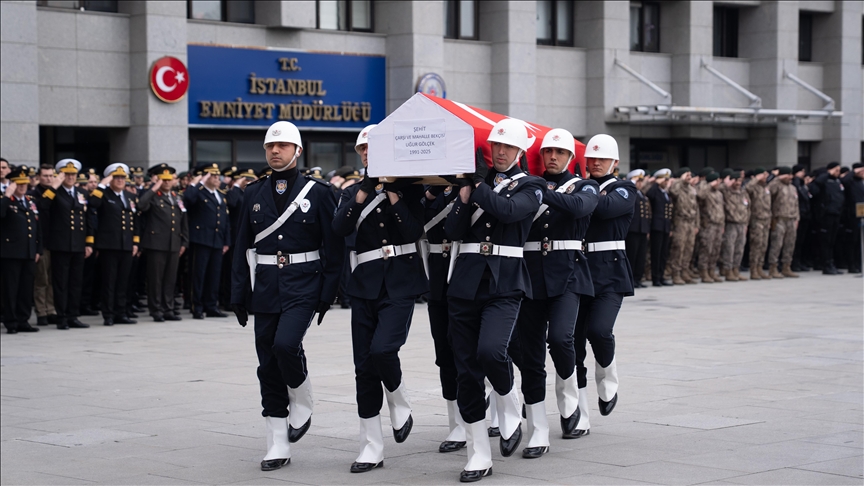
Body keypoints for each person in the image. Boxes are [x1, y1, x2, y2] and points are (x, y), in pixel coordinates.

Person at [230, 121, 344, 471]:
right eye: (270, 146)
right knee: (267, 363)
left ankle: (302, 394)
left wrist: (328, 293)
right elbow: (240, 246)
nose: (275, 151)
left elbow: (334, 246)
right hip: (265, 284)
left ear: (297, 151)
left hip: (304, 283)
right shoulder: (253, 192)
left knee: (285, 344)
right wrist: (238, 291)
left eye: (282, 146)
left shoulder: (320, 192)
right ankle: (277, 442)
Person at [442, 118, 544, 482]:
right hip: (465, 281)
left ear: (519, 152)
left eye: (507, 147)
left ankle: (509, 400)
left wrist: (477, 184)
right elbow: (451, 232)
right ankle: (477, 454)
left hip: (505, 282)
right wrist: (463, 198)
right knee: (466, 371)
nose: (500, 152)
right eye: (495, 146)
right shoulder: (475, 185)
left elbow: (509, 212)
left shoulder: (532, 186)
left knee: (491, 351)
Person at [332, 124, 427, 474]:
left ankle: (399, 399)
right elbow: (339, 228)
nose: (369, 153)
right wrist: (362, 195)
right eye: (364, 149)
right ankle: (370, 446)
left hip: (401, 281)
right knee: (364, 369)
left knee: (383, 350)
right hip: (364, 284)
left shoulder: (409, 189)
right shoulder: (353, 192)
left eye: (376, 147)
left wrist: (391, 192)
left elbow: (413, 231)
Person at [513, 128, 597, 453]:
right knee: (529, 352)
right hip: (531, 274)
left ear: (570, 158)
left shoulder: (585, 186)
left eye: (559, 153)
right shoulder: (527, 186)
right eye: (548, 152)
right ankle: (537, 429)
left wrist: (539, 191)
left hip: (569, 272)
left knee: (561, 339)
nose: (552, 157)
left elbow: (578, 207)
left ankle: (569, 397)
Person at [572, 134, 635, 439]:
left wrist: (576, 192)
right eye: (591, 159)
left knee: (599, 331)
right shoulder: (580, 187)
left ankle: (607, 377)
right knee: (572, 344)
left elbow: (604, 208)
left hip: (610, 274)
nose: (595, 163)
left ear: (615, 163)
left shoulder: (625, 189)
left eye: (601, 159)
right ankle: (579, 414)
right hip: (579, 272)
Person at [420, 177, 463, 451]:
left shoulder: (473, 185)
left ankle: (498, 404)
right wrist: (432, 193)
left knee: (477, 350)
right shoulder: (426, 191)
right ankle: (456, 422)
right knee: (444, 353)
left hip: (467, 271)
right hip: (437, 275)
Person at [36, 159, 91, 329]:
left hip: (78, 243)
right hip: (60, 244)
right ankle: (61, 317)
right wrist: (54, 186)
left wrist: (89, 242)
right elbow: (42, 206)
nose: (71, 177)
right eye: (67, 174)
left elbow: (88, 218)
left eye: (73, 174)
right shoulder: (54, 192)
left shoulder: (81, 193)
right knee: (60, 283)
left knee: (76, 282)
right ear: (61, 175)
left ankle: (73, 315)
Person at [87, 163, 139, 326]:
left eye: (122, 178)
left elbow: (135, 220)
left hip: (126, 244)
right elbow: (92, 203)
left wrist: (136, 241)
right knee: (109, 281)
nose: (120, 181)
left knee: (123, 281)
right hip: (109, 245)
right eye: (116, 177)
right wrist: (102, 184)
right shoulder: (104, 194)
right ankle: (108, 314)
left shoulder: (129, 197)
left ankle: (120, 312)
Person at [138, 164, 188, 322]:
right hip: (156, 244)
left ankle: (168, 308)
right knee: (156, 279)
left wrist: (184, 242)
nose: (166, 182)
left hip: (173, 243)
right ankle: (156, 309)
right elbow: (141, 205)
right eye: (163, 180)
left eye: (169, 180)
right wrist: (154, 188)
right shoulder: (153, 196)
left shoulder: (176, 197)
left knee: (170, 279)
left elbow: (183, 221)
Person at [184, 163, 231, 318]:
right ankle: (196, 306)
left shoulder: (220, 195)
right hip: (201, 239)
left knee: (214, 275)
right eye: (214, 176)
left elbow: (225, 220)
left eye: (218, 176)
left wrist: (226, 241)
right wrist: (198, 182)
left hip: (217, 240)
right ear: (206, 177)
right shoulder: (199, 192)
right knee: (198, 275)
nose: (218, 179)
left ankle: (211, 305)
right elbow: (188, 198)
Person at [1, 166, 42, 333]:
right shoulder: (6, 201)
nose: (23, 186)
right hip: (11, 252)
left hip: (29, 251)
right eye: (19, 183)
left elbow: (37, 226)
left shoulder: (30, 201)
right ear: (12, 184)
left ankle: (23, 320)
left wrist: (38, 248)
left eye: (25, 183)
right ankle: (11, 321)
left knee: (26, 288)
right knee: (11, 289)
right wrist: (6, 195)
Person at [31, 164, 58, 326]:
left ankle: (51, 309)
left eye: (51, 176)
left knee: (54, 279)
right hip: (42, 242)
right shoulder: (33, 194)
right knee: (42, 279)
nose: (48, 178)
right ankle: (41, 311)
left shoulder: (57, 192)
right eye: (45, 175)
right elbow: (42, 206)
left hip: (57, 241)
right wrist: (53, 188)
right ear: (38, 177)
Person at [810, 162, 846, 275]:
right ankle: (826, 265)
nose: (838, 172)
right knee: (825, 241)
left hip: (836, 213)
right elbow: (814, 190)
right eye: (836, 170)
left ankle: (831, 263)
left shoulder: (837, 181)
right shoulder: (822, 181)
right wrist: (827, 174)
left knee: (832, 241)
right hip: (826, 215)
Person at [667, 167, 699, 285]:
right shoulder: (677, 187)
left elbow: (696, 208)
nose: (689, 177)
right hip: (680, 222)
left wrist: (697, 224)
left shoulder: (691, 189)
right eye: (687, 174)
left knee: (689, 248)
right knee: (678, 248)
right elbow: (673, 192)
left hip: (691, 222)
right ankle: (676, 273)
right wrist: (679, 180)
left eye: (690, 175)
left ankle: (685, 271)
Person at [766, 167, 800, 278]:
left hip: (791, 219)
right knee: (777, 244)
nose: (790, 177)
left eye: (791, 175)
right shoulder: (776, 185)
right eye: (787, 175)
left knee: (790, 245)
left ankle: (786, 266)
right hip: (779, 219)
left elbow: (796, 204)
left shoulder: (793, 188)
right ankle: (773, 267)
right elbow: (768, 195)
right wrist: (777, 178)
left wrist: (797, 218)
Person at [719, 172, 749, 281]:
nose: (738, 183)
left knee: (739, 248)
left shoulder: (743, 192)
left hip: (742, 223)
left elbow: (748, 208)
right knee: (729, 248)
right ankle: (728, 270)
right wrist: (726, 183)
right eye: (735, 181)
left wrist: (746, 222)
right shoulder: (726, 191)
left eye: (740, 181)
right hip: (731, 223)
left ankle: (736, 269)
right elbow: (719, 188)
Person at [645, 169, 673, 286]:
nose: (666, 181)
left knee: (663, 253)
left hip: (665, 226)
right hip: (656, 226)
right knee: (656, 253)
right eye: (664, 179)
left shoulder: (665, 193)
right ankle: (655, 277)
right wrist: (655, 183)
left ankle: (661, 276)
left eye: (667, 179)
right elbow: (649, 195)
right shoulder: (655, 191)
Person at [696, 172, 725, 283]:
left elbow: (722, 210)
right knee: (706, 248)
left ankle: (711, 270)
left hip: (718, 224)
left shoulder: (719, 194)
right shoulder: (706, 191)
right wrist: (708, 185)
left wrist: (723, 225)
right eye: (716, 181)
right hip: (708, 224)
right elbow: (699, 195)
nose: (718, 183)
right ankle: (703, 271)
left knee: (716, 249)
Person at [625, 169, 650, 288]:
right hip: (633, 229)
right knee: (632, 256)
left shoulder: (643, 195)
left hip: (642, 229)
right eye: (638, 181)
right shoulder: (631, 193)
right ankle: (630, 279)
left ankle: (638, 278)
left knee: (641, 256)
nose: (640, 183)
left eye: (641, 181)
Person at [746, 168, 772, 280]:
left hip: (766, 219)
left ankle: (760, 268)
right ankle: (753, 269)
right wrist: (756, 178)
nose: (764, 177)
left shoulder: (766, 187)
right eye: (762, 175)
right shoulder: (753, 187)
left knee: (763, 245)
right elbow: (747, 188)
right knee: (756, 245)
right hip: (756, 219)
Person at [791, 165, 813, 272]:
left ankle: (799, 261)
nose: (803, 174)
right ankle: (794, 263)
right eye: (801, 171)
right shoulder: (795, 184)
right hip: (798, 215)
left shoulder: (802, 184)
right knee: (796, 241)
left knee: (802, 241)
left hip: (805, 215)